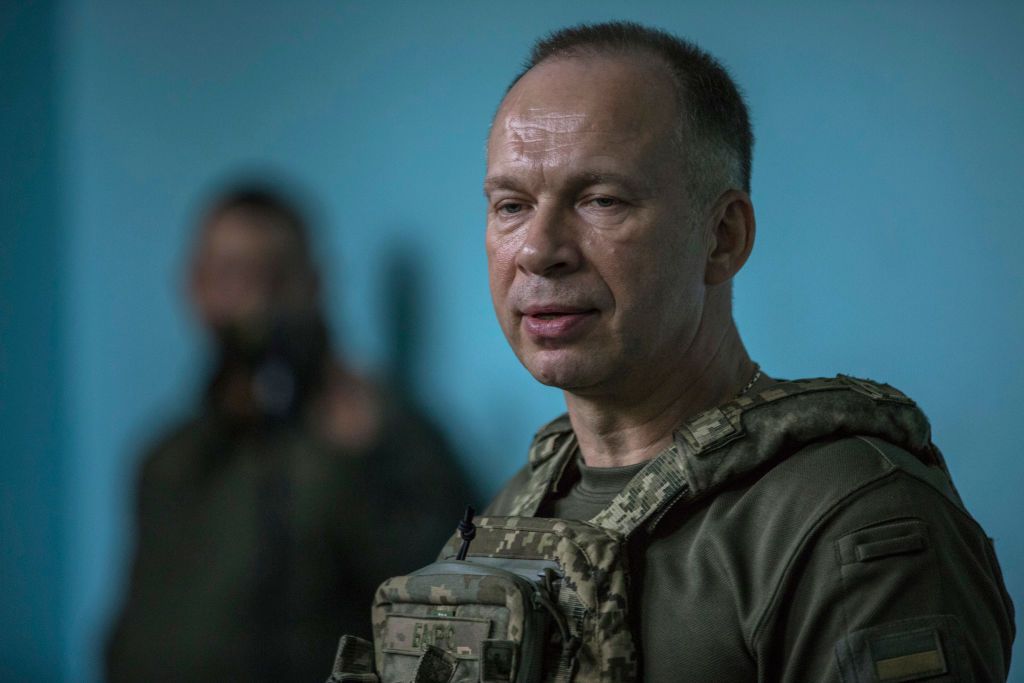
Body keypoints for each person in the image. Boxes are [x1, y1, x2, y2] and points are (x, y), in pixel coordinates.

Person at [475, 21, 1013, 682]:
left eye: (600, 199)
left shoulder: (849, 518)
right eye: (510, 205)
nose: (537, 248)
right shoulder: (518, 507)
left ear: (724, 236)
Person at [106, 185, 475, 682]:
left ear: (315, 283)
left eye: (275, 274)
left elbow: (449, 599)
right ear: (196, 287)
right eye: (232, 273)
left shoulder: (383, 430)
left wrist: (364, 460)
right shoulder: (168, 458)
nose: (256, 297)